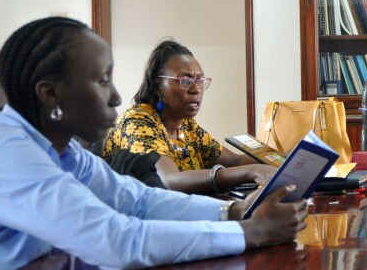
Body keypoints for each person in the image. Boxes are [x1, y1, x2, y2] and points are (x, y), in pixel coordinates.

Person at [0, 17, 307, 270]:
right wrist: (251, 233)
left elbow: (139, 201)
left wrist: (235, 210)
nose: (115, 96)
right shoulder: (2, 151)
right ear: (50, 93)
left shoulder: (62, 149)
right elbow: (116, 240)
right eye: (102, 81)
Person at [103, 39, 274, 194]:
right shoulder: (137, 122)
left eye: (200, 80)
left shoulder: (186, 126)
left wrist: (285, 157)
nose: (196, 89)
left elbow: (234, 160)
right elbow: (170, 180)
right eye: (185, 81)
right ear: (157, 84)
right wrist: (252, 171)